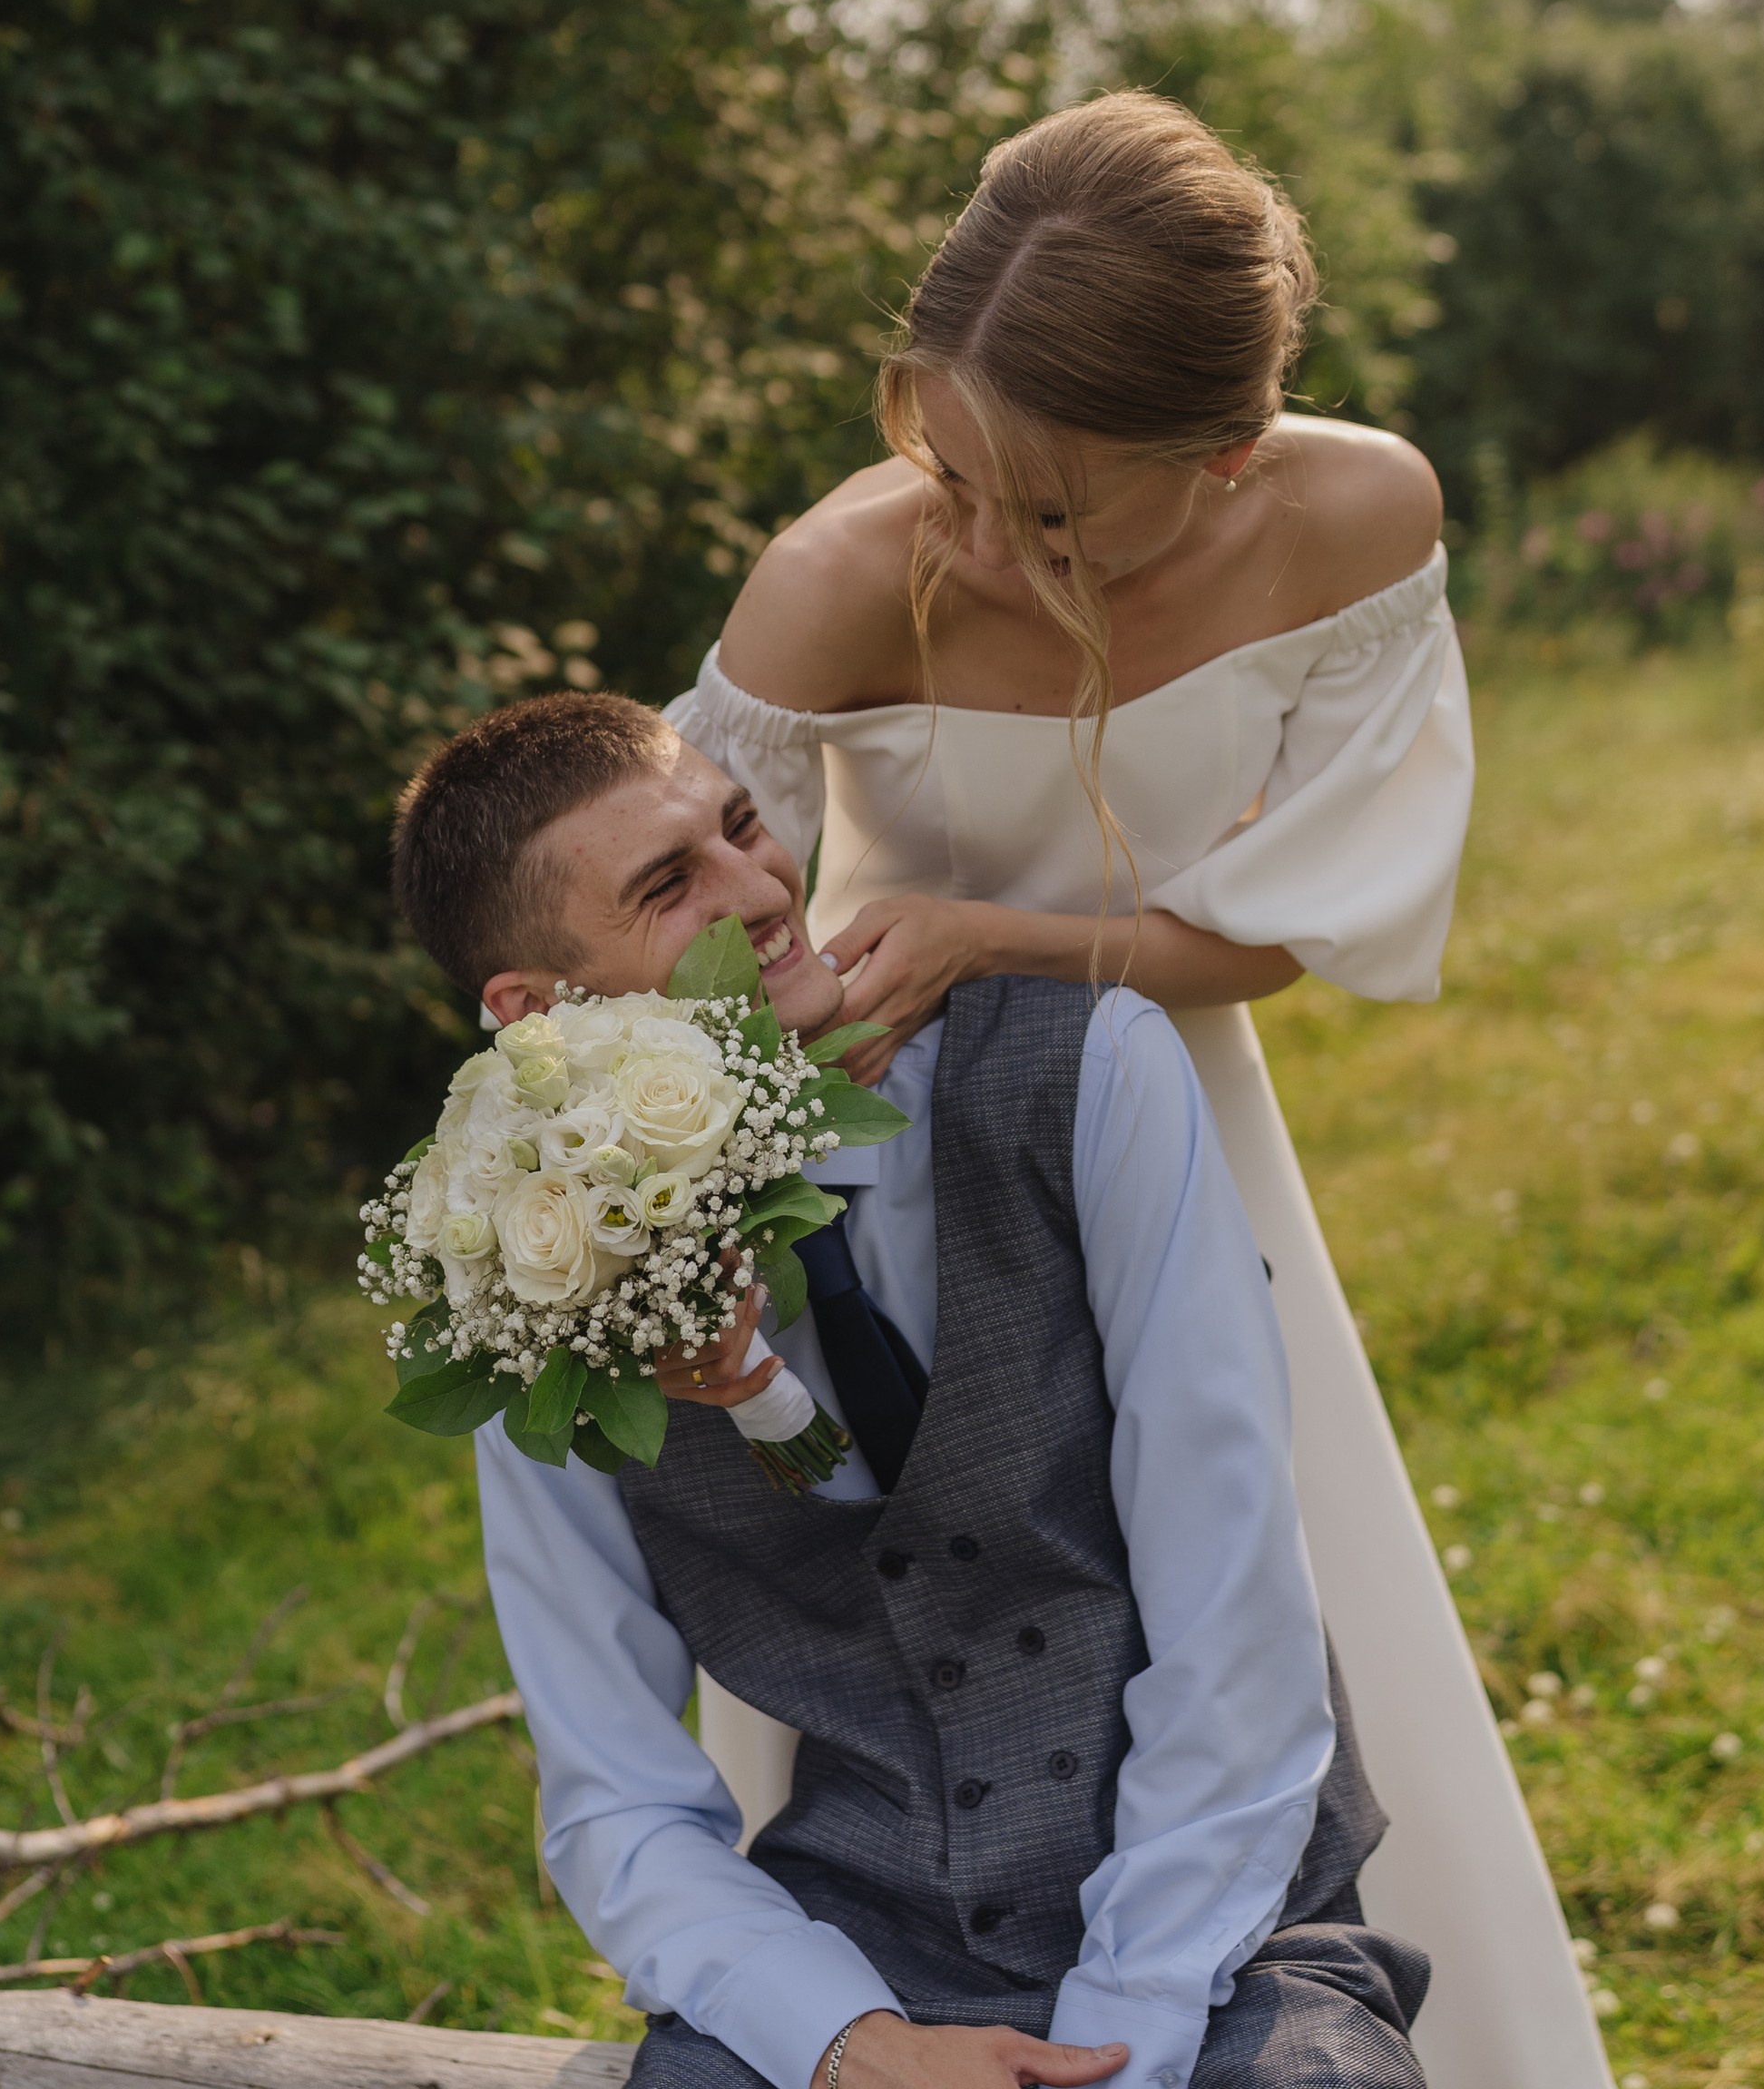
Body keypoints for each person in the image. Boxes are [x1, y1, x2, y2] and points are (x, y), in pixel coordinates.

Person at [664, 93, 1608, 2089]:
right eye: (951, 471)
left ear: (1230, 453)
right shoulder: (835, 579)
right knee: (934, 1616)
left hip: (1179, 1101)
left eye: (1058, 517)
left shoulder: (1354, 523)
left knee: (1239, 1581)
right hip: (891, 1145)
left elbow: (1280, 928)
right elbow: (661, 945)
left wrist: (998, 935)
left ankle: (1266, 1990)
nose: (984, 549)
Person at [389, 691, 1430, 2089]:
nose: (759, 891)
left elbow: (1240, 1627)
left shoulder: (1094, 1075)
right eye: (667, 887)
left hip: (1223, 1935)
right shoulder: (530, 1292)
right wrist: (844, 2042)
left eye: (744, 828)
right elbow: (617, 1800)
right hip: (851, 1948)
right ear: (532, 1013)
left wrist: (1132, 2030)